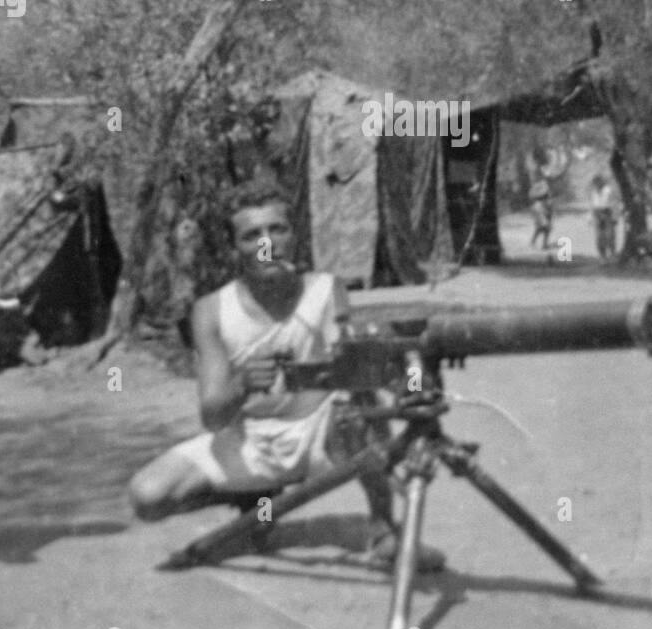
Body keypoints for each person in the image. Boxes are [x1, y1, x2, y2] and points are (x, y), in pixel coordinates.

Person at [128, 176, 444, 571]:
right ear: (234, 247)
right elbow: (212, 416)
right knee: (149, 496)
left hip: (318, 434)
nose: (266, 244)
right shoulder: (211, 309)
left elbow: (359, 367)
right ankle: (252, 503)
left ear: (293, 235)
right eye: (251, 235)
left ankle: (383, 530)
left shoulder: (326, 291)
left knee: (360, 400)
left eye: (276, 229)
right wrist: (241, 385)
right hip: (250, 441)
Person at [589, 173, 617, 261]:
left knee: (610, 235)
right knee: (599, 237)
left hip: (607, 213)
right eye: (595, 183)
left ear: (601, 182)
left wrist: (615, 217)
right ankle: (602, 256)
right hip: (597, 214)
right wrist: (590, 217)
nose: (596, 184)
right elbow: (592, 205)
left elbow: (614, 204)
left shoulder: (608, 190)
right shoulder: (594, 192)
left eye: (598, 182)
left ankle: (612, 255)